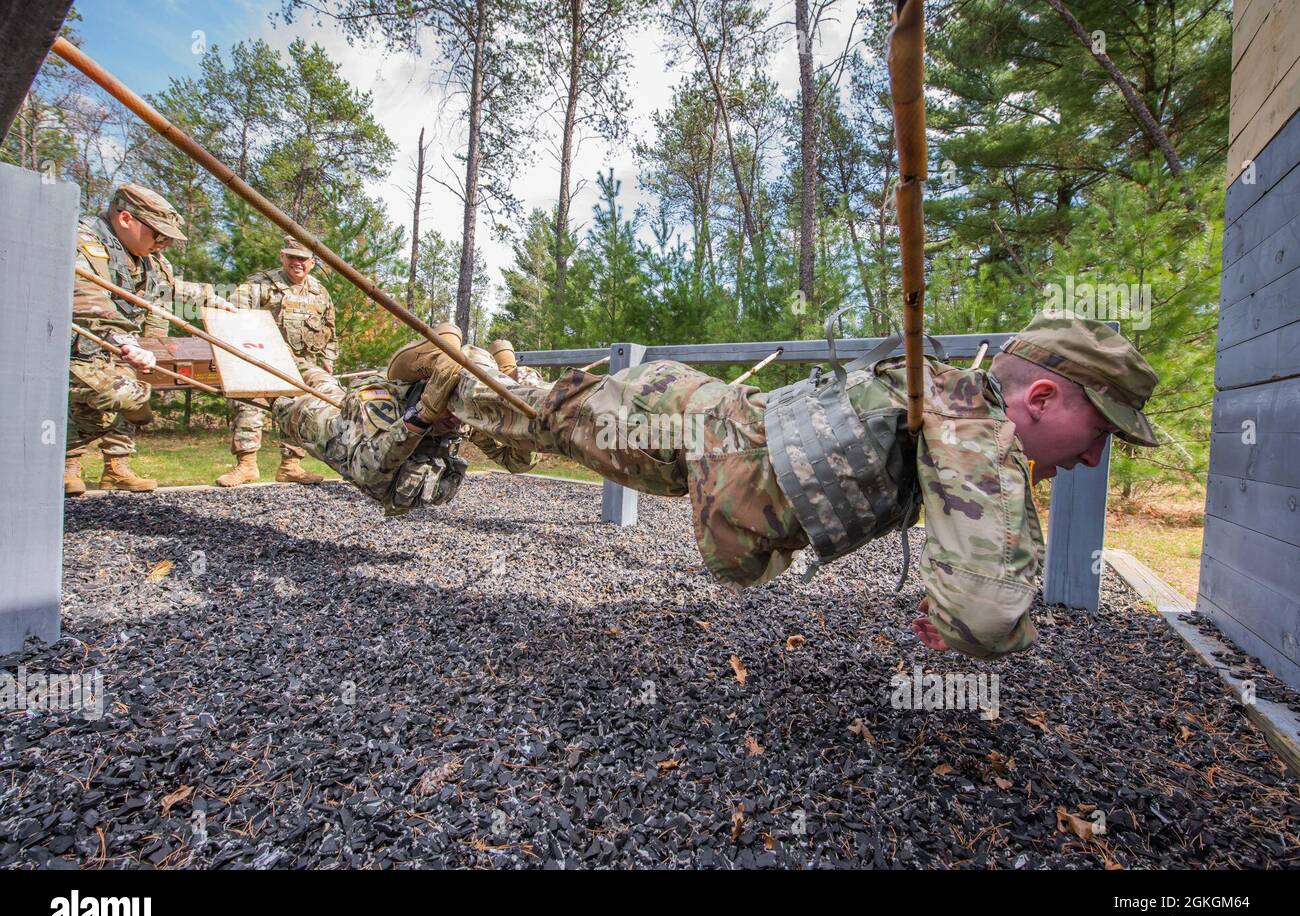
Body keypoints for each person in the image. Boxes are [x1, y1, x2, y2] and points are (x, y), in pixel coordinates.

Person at [274, 311, 1158, 661]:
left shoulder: (955, 404)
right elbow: (987, 615)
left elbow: (975, 591)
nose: (1095, 458)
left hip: (695, 429)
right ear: (1041, 395)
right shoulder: (972, 419)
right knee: (538, 418)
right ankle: (453, 367)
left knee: (543, 422)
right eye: (1101, 432)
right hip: (690, 428)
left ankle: (469, 378)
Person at [66, 183, 233, 495]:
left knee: (116, 401)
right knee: (120, 397)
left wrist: (210, 297)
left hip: (113, 351)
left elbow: (168, 288)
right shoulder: (81, 241)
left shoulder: (148, 258)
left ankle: (115, 468)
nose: (164, 243)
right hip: (73, 349)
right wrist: (124, 339)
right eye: (159, 234)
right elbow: (85, 296)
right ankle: (66, 466)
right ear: (126, 219)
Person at [214, 235, 338, 487]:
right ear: (282, 257)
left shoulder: (319, 292)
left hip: (301, 363)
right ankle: (246, 465)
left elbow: (330, 329)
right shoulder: (260, 285)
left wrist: (328, 358)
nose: (297, 263)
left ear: (312, 262)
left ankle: (290, 465)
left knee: (303, 407)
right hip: (262, 359)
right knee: (249, 406)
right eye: (292, 257)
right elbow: (232, 317)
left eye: (303, 259)